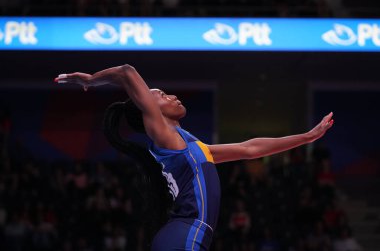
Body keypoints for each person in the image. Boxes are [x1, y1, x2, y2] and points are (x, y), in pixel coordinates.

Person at [55, 64, 334, 251]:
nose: (173, 96)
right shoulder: (162, 134)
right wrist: (91, 80)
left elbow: (252, 149)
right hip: (187, 232)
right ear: (150, 110)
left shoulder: (192, 146)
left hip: (185, 233)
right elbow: (127, 72)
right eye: (161, 95)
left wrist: (306, 137)